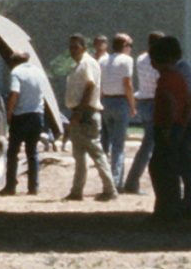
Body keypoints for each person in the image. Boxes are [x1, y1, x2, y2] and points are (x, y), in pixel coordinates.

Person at [149, 34, 191, 218]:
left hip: (170, 127)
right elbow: (189, 100)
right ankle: (180, 207)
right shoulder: (179, 75)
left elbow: (172, 102)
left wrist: (171, 125)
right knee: (174, 166)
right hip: (180, 124)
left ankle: (172, 208)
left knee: (163, 168)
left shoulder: (171, 76)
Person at [62, 34, 120, 202]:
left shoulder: (87, 63)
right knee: (79, 155)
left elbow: (90, 86)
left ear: (84, 47)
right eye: (71, 47)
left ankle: (110, 189)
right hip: (79, 111)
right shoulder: (77, 65)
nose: (72, 50)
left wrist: (80, 112)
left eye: (76, 47)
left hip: (86, 112)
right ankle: (76, 190)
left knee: (96, 151)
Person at [4, 47, 58, 195]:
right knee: (32, 152)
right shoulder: (39, 71)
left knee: (13, 152)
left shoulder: (16, 72)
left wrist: (9, 112)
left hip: (21, 115)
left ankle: (10, 185)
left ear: (13, 62)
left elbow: (15, 93)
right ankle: (33, 186)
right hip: (37, 115)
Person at [122, 34, 163, 194]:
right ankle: (132, 182)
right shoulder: (157, 61)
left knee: (149, 143)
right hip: (155, 102)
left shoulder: (140, 58)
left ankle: (132, 182)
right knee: (149, 146)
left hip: (143, 101)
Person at [99, 32, 136, 181]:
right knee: (118, 145)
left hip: (106, 101)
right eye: (130, 45)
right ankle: (115, 180)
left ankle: (112, 178)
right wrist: (132, 105)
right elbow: (127, 84)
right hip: (121, 102)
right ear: (124, 46)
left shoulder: (102, 60)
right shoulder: (127, 60)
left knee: (107, 142)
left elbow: (100, 84)